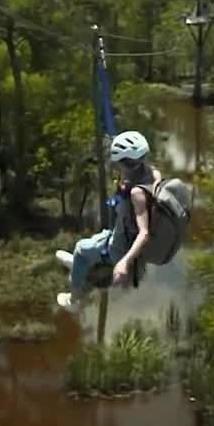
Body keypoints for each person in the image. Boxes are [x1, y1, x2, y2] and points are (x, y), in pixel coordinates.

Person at [55, 130, 162, 312]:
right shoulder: (153, 173)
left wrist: (124, 262)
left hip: (120, 247)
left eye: (118, 163)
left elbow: (144, 233)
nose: (116, 167)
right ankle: (82, 265)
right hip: (120, 230)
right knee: (97, 238)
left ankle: (74, 299)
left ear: (126, 163)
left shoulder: (137, 194)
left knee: (81, 248)